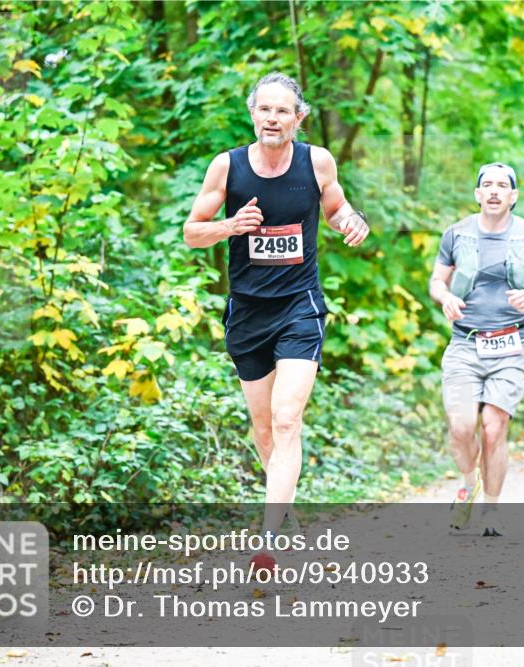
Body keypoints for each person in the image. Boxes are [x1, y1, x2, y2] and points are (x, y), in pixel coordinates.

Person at [182, 73, 369, 555]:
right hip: (246, 311)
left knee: (288, 421)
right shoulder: (227, 168)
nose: (273, 118)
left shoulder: (317, 161)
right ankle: (285, 518)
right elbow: (191, 232)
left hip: (299, 307)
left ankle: (266, 540)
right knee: (265, 431)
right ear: (253, 114)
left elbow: (336, 209)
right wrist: (230, 225)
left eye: (283, 111)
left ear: (298, 118)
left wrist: (352, 222)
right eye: (265, 109)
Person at [429, 163, 524, 536]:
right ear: (478, 194)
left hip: (512, 345)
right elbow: (438, 280)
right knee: (461, 427)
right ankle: (469, 486)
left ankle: (492, 511)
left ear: (514, 196)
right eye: (488, 185)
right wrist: (446, 297)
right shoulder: (456, 234)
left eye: (503, 185)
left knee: (493, 426)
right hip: (465, 344)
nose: (495, 191)